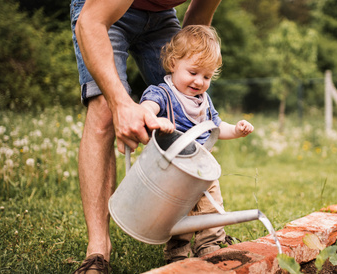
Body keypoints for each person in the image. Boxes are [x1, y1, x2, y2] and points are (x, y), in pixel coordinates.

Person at [70, 0, 221, 273]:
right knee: (104, 109)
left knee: (183, 102)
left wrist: (189, 80)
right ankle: (97, 251)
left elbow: (198, 19)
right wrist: (121, 104)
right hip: (102, 12)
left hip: (161, 16)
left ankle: (205, 235)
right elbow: (90, 22)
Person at [140, 25, 254, 263]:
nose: (199, 81)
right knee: (177, 210)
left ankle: (211, 244)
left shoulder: (203, 100)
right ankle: (178, 251)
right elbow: (146, 109)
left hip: (203, 167)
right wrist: (155, 119)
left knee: (212, 206)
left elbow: (215, 126)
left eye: (207, 76)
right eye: (193, 72)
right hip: (172, 169)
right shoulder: (163, 94)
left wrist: (236, 130)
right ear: (173, 64)